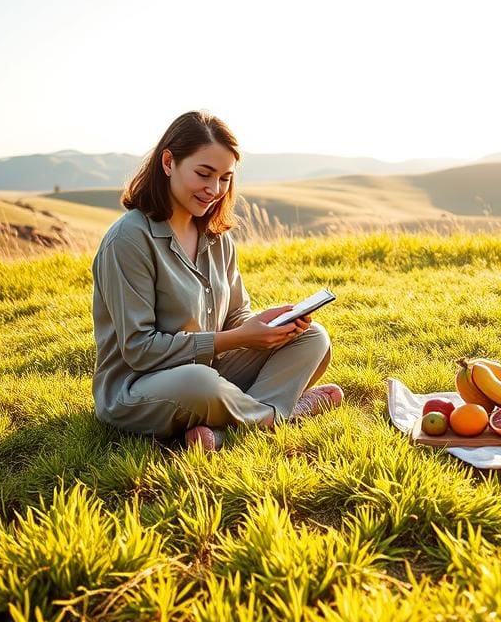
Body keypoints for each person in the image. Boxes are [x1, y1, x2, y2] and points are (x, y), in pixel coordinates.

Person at [91, 111, 341, 451]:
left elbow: (236, 317)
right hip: (142, 387)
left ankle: (225, 431)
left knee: (313, 338)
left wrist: (266, 326)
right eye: (204, 174)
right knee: (200, 383)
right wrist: (238, 337)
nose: (214, 190)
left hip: (213, 370)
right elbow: (139, 350)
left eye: (224, 178)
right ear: (168, 162)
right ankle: (282, 414)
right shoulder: (129, 240)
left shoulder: (216, 236)